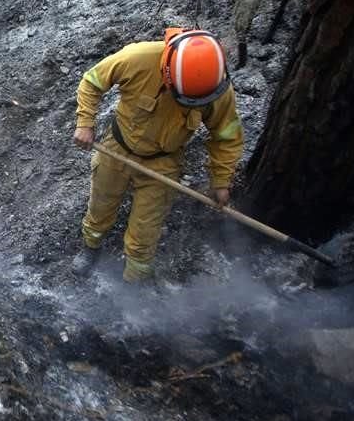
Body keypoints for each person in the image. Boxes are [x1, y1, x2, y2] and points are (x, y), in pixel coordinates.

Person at [71, 28, 244, 282]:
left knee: (146, 232)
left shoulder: (213, 87)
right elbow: (92, 81)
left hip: (164, 163)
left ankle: (134, 283)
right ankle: (91, 246)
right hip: (117, 148)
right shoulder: (138, 58)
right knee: (101, 206)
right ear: (167, 73)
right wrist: (85, 123)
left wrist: (221, 182)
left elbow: (226, 136)